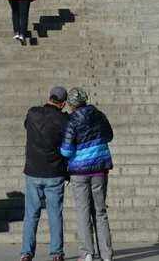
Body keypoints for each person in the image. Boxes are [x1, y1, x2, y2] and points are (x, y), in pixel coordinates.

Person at [60, 88, 114, 261]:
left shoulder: (72, 121)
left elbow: (67, 151)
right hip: (99, 169)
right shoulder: (99, 115)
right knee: (100, 212)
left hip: (79, 171)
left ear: (71, 104)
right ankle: (106, 255)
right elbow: (109, 136)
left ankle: (87, 254)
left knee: (83, 212)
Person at [20, 86, 70, 261]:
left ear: (49, 97)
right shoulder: (64, 120)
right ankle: (56, 253)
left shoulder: (32, 113)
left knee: (31, 214)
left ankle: (26, 252)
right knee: (55, 214)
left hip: (33, 170)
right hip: (54, 172)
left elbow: (26, 125)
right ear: (63, 103)